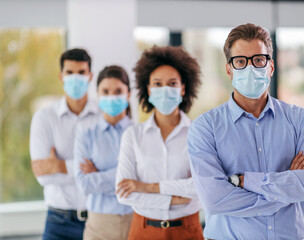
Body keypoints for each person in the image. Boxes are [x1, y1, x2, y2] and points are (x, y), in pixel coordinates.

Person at [187, 23, 304, 240]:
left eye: (258, 60)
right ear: (229, 69)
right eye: (241, 61)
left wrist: (245, 181)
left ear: (270, 67)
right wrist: (286, 188)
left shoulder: (300, 120)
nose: (250, 68)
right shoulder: (205, 128)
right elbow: (214, 200)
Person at [115, 46, 203, 240]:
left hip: (188, 231)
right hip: (143, 231)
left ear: (183, 88)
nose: (165, 90)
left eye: (172, 83)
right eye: (157, 83)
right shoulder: (133, 135)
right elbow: (124, 193)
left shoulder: (199, 133)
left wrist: (148, 187)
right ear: (148, 89)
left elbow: (201, 188)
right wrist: (175, 199)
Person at [30, 48, 100, 240]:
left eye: (81, 72)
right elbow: (43, 176)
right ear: (61, 76)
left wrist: (60, 166)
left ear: (90, 76)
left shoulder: (104, 116)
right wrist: (88, 170)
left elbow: (111, 171)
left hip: (99, 220)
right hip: (58, 221)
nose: (75, 78)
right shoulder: (44, 118)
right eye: (69, 73)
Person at [73, 65, 134, 240]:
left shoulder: (140, 134)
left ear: (128, 94)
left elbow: (148, 177)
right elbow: (84, 184)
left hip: (137, 221)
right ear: (98, 95)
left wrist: (98, 175)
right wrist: (128, 179)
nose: (111, 97)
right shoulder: (86, 136)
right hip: (98, 227)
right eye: (105, 91)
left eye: (118, 91)